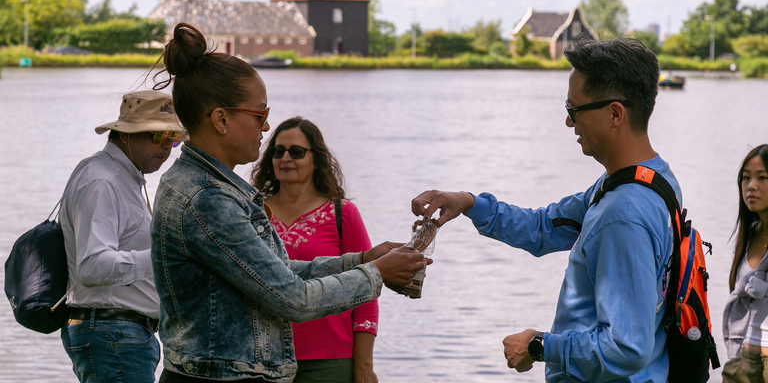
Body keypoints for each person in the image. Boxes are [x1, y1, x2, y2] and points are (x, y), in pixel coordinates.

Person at [150, 22, 426, 383]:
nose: (266, 129)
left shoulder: (203, 184)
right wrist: (377, 274)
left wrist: (360, 260)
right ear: (221, 119)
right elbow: (292, 298)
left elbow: (274, 273)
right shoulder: (208, 199)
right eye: (259, 115)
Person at [412, 38, 679, 382]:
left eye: (574, 110)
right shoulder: (649, 179)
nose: (569, 123)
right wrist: (469, 203)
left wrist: (540, 347)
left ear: (615, 114)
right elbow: (543, 228)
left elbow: (627, 347)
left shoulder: (623, 214)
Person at [59, 90, 186, 383]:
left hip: (119, 335)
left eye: (173, 137)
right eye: (157, 136)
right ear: (126, 136)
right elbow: (92, 267)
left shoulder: (118, 176)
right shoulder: (104, 180)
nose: (167, 146)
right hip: (114, 335)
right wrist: (167, 256)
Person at [252, 117, 379, 383]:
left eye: (296, 152)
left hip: (330, 362)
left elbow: (366, 293)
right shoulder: (253, 213)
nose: (286, 158)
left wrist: (364, 366)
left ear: (316, 159)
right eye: (278, 151)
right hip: (262, 360)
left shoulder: (342, 214)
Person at [723, 145, 768, 383]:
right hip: (743, 360)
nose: (751, 186)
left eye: (762, 177)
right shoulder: (749, 234)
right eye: (746, 178)